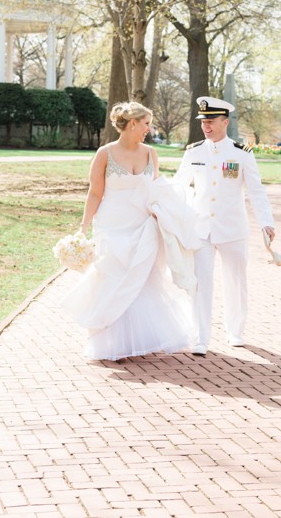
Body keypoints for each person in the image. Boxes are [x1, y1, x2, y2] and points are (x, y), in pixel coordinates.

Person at [61, 102, 197, 360]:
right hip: (112, 225)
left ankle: (137, 340)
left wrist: (160, 211)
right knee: (111, 278)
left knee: (143, 280)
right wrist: (83, 227)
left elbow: (156, 189)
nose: (149, 128)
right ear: (132, 123)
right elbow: (95, 193)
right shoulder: (105, 153)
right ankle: (109, 341)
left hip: (143, 226)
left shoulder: (151, 153)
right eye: (146, 123)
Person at [173, 97, 275, 355]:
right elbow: (179, 186)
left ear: (225, 122)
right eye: (203, 122)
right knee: (199, 284)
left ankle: (235, 331)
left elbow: (256, 190)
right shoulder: (194, 151)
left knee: (236, 281)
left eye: (211, 121)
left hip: (232, 229)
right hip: (202, 228)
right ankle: (200, 337)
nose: (206, 126)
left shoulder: (241, 153)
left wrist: (266, 222)